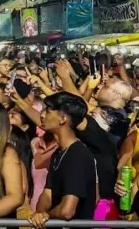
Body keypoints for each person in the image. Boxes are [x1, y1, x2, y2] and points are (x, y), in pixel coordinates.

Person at [30, 92, 96, 228]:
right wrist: (40, 214)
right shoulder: (58, 153)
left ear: (62, 119)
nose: (41, 115)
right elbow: (47, 193)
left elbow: (67, 211)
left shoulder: (78, 155)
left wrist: (46, 216)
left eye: (47, 111)